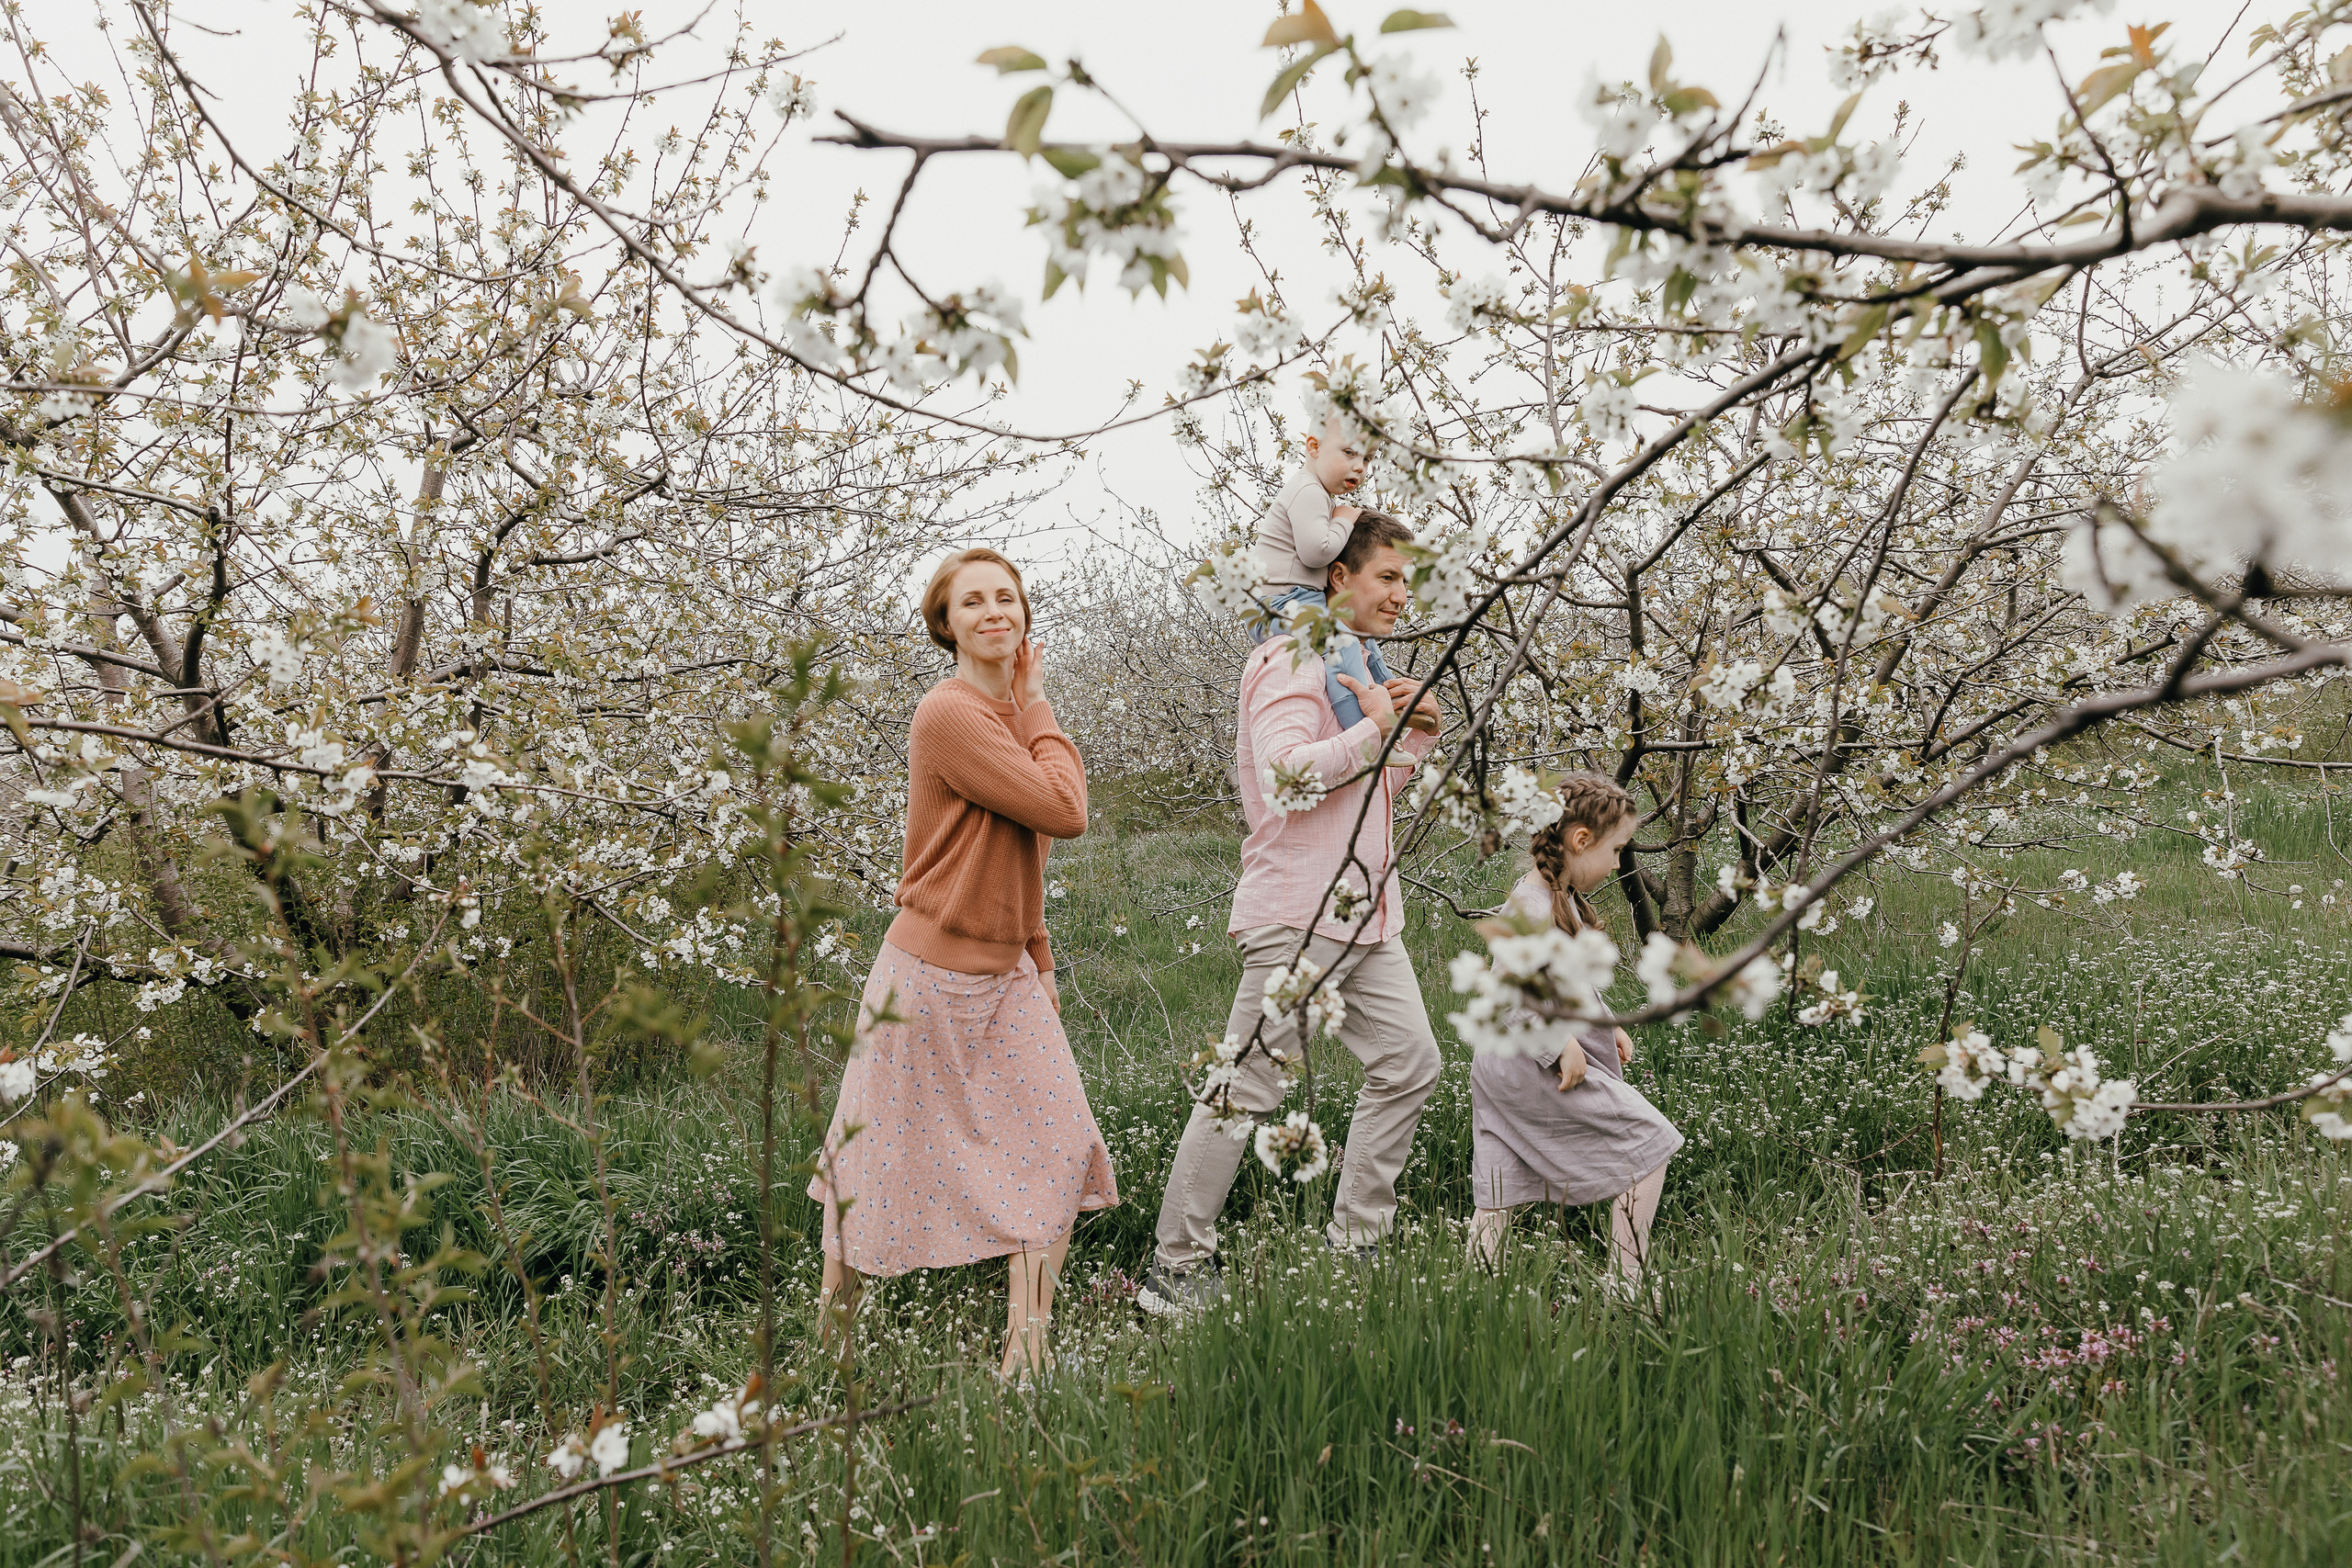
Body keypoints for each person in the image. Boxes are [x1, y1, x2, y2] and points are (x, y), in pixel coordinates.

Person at [809, 547, 1117, 1379]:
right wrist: (1040, 703)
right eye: (973, 601)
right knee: (875, 1163)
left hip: (1006, 974)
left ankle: (1026, 1353)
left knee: (1060, 1147)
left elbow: (1020, 854)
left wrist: (1040, 957)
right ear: (946, 624)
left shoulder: (1007, 721)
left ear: (1024, 615)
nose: (995, 611)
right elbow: (1064, 810)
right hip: (926, 977)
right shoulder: (948, 716)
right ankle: (828, 1344)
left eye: (1008, 597)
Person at [1137, 511, 1445, 1317]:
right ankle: (1175, 1267)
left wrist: (1409, 743)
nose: (1401, 595)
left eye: (1409, 581)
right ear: (1339, 578)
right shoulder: (1291, 660)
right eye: (1388, 576)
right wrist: (1377, 726)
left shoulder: (1361, 670)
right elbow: (1285, 780)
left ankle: (1357, 1243)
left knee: (1410, 1061)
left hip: (1368, 917)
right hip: (1300, 917)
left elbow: (1362, 798)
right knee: (1245, 1090)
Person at [1464, 773, 1684, 1287]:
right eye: (1616, 850)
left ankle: (1472, 1290)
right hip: (1531, 1064)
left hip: (1500, 1067)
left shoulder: (1550, 898)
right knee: (1650, 1144)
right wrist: (1561, 1044)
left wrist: (1608, 1025)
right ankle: (1628, 1282)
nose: (1616, 863)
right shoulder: (1533, 906)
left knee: (1501, 1187)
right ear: (1580, 840)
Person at [1250, 414, 1389, 730]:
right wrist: (1343, 519)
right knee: (1343, 643)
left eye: (1367, 458)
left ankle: (1390, 693)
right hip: (1278, 604)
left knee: (1359, 637)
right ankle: (1364, 728)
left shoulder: (1315, 492)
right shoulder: (1308, 490)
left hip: (1295, 601)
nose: (1360, 467)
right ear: (1313, 447)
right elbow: (1316, 553)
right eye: (1350, 453)